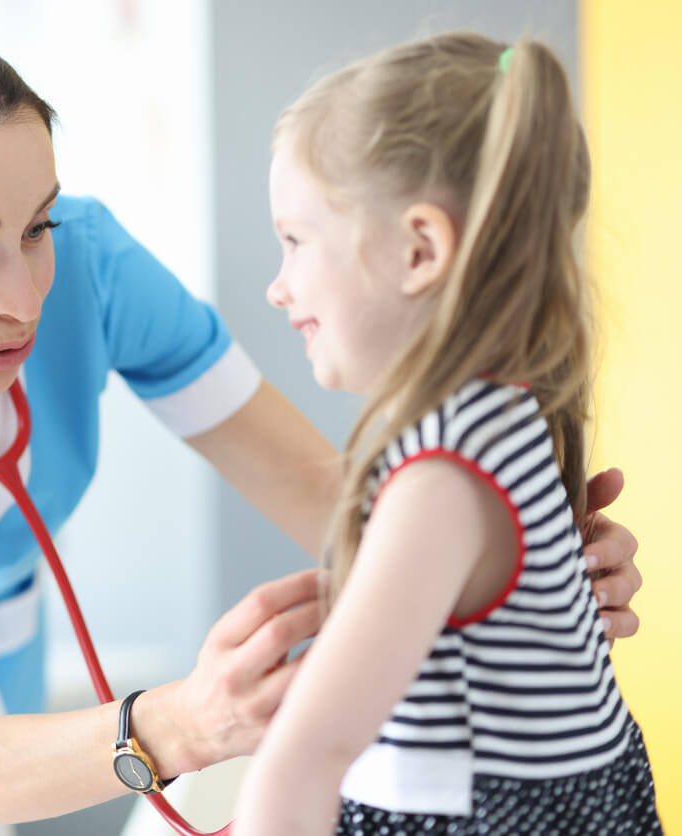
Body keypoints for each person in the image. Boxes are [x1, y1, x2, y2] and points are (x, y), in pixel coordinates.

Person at [0, 19, 644, 835]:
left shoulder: (90, 266)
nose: (24, 294)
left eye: (35, 224)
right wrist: (183, 723)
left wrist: (508, 568)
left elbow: (341, 509)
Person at [232, 33, 661, 835]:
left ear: (420, 249)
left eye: (295, 241)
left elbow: (306, 757)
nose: (277, 286)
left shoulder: (442, 474)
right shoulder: (516, 416)